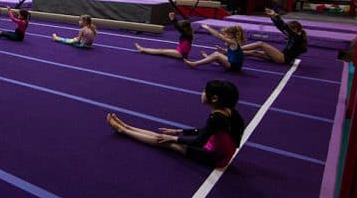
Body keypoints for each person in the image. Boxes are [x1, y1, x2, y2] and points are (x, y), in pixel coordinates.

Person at [106, 80, 245, 169]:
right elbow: (207, 131)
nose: (202, 93)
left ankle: (124, 131)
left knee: (166, 142)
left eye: (204, 91)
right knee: (165, 137)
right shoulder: (229, 111)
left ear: (214, 98)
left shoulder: (217, 117)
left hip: (215, 158)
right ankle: (126, 126)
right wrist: (180, 132)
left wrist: (175, 138)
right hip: (219, 150)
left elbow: (199, 141)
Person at [240, 9, 307, 64]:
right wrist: (272, 17)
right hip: (281, 56)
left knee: (261, 44)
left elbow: (284, 27)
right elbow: (281, 27)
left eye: (290, 29)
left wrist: (275, 15)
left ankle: (238, 49)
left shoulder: (297, 37)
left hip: (283, 58)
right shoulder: (294, 35)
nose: (287, 32)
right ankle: (236, 53)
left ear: (295, 29)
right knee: (254, 52)